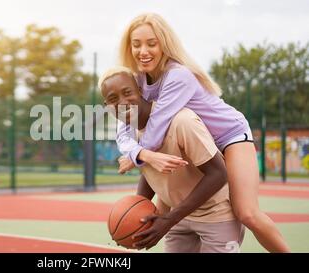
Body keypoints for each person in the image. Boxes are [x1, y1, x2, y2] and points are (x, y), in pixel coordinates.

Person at [114, 12, 290, 252]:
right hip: (196, 141)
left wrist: (137, 156)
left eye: (151, 44)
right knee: (165, 210)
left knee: (247, 212)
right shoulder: (138, 81)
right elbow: (124, 132)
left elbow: (154, 134)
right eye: (136, 45)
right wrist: (138, 198)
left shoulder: (177, 76)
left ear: (164, 44)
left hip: (229, 136)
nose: (143, 51)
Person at [100, 67, 244, 252]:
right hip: (180, 217)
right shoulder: (130, 134)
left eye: (127, 93)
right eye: (113, 99)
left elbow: (219, 173)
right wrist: (135, 218)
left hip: (216, 215)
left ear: (141, 90)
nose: (122, 103)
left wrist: (169, 219)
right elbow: (151, 170)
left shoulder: (182, 121)